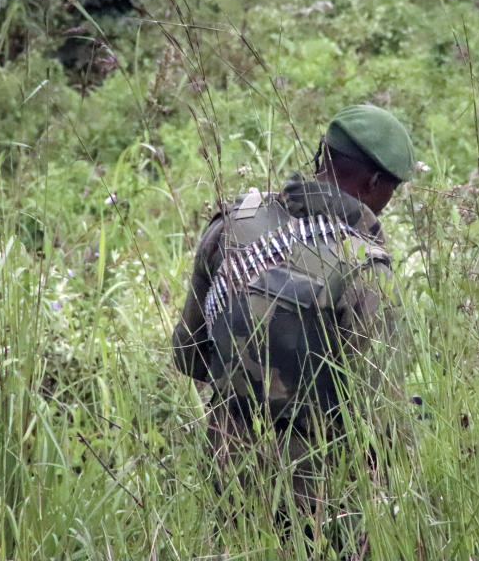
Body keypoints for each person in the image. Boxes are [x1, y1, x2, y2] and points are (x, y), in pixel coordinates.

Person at [171, 104, 415, 527]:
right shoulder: (365, 267)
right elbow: (383, 419)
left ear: (324, 155)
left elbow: (188, 355)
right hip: (321, 496)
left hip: (229, 470)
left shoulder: (234, 222)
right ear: (375, 182)